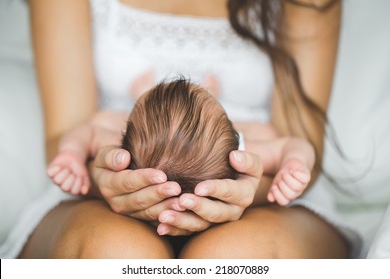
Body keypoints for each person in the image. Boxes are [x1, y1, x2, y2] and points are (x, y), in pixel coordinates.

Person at [2, 0, 351, 258]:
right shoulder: (247, 142)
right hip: (105, 192)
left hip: (257, 195)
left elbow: (302, 144)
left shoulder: (116, 131)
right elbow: (292, 149)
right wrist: (88, 173)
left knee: (230, 259)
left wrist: (271, 184)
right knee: (115, 253)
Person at [47, 78, 313, 206]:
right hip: (229, 133)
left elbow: (87, 132)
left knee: (101, 117)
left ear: (125, 134)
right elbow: (293, 144)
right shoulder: (239, 154)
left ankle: (141, 93)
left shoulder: (122, 153)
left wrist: (72, 154)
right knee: (267, 132)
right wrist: (294, 164)